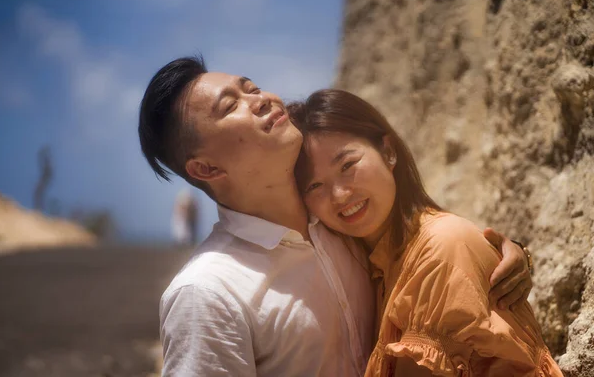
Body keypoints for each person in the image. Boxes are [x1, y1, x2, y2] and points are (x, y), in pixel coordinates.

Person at [138, 55, 532, 376]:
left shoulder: (341, 224)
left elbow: (428, 250)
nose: (260, 99)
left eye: (252, 88)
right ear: (205, 170)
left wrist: (499, 252)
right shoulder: (208, 294)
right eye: (230, 106)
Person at [289, 89, 561, 376]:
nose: (340, 194)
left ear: (388, 152)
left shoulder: (441, 247)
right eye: (314, 186)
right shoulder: (368, 263)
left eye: (347, 165)